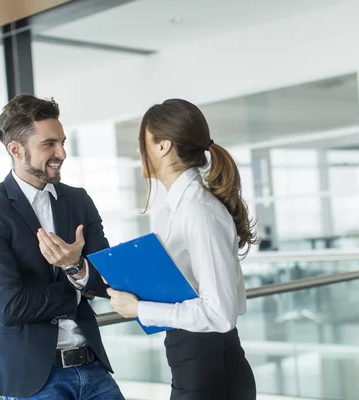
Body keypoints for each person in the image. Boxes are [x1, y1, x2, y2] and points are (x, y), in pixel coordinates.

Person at [0, 94, 124, 400]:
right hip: (35, 380)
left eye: (62, 142)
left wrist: (77, 268)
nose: (61, 152)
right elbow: (10, 307)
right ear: (16, 149)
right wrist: (78, 283)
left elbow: (106, 282)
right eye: (48, 144)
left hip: (93, 368)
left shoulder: (78, 200)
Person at [107, 98, 257, 400]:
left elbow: (220, 313)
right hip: (190, 363)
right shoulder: (173, 209)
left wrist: (139, 310)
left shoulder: (199, 211)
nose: (138, 152)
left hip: (212, 370)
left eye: (142, 142)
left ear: (162, 146)